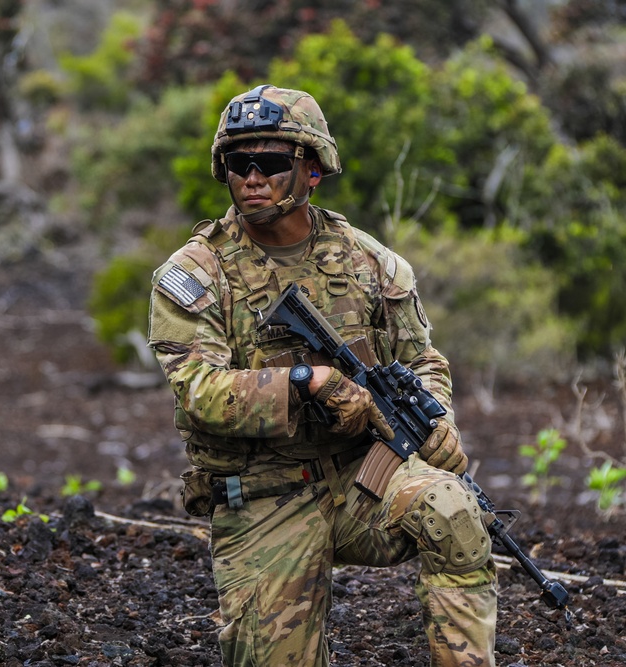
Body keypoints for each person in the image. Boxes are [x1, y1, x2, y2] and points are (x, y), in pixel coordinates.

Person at [147, 84, 497, 667]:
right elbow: (198, 393)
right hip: (264, 493)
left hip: (363, 477)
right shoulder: (195, 275)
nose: (251, 178)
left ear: (312, 170)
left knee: (455, 511)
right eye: (239, 164)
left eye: (272, 164)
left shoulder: (369, 262)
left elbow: (422, 359)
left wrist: (434, 416)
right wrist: (308, 382)